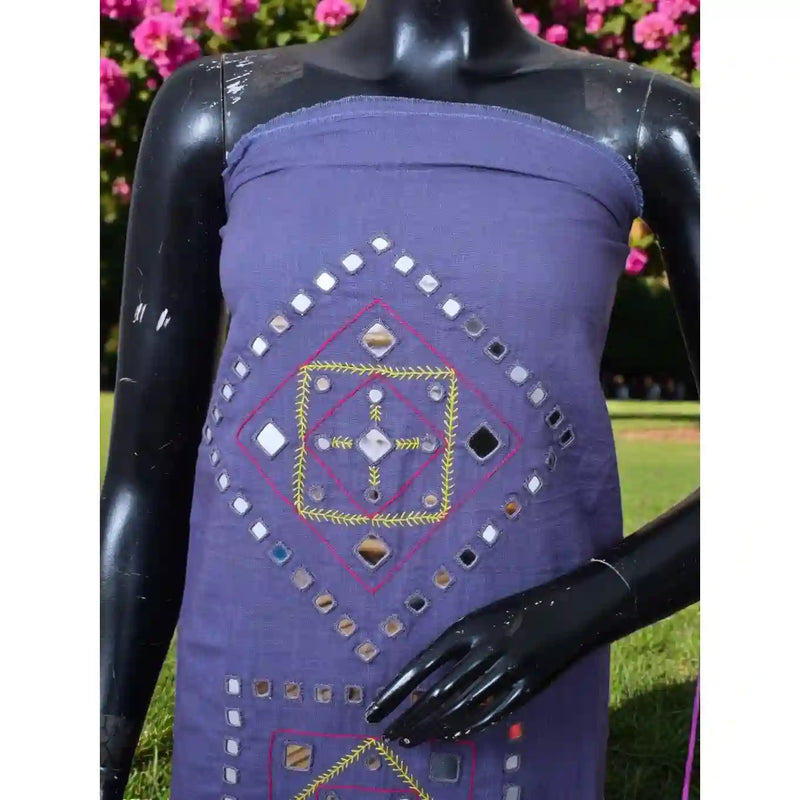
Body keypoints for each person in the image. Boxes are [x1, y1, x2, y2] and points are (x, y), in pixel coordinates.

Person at [100, 2, 700, 798]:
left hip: (511, 704)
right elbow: (145, 476)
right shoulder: (215, 105)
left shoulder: (648, 123)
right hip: (249, 705)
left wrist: (579, 609)